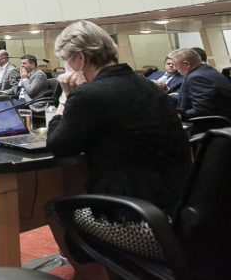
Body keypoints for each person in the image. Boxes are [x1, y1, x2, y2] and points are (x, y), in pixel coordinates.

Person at [45, 20, 191, 280]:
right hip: (182, 215)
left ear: (79, 58)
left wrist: (65, 97)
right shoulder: (148, 85)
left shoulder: (89, 94)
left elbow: (58, 145)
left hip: (142, 225)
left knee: (56, 209)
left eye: (66, 61)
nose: (65, 68)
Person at [170, 47, 231, 120]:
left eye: (176, 65)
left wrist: (179, 116)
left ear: (186, 64)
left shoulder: (197, 77)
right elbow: (187, 96)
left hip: (212, 124)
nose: (176, 68)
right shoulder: (204, 70)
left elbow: (201, 110)